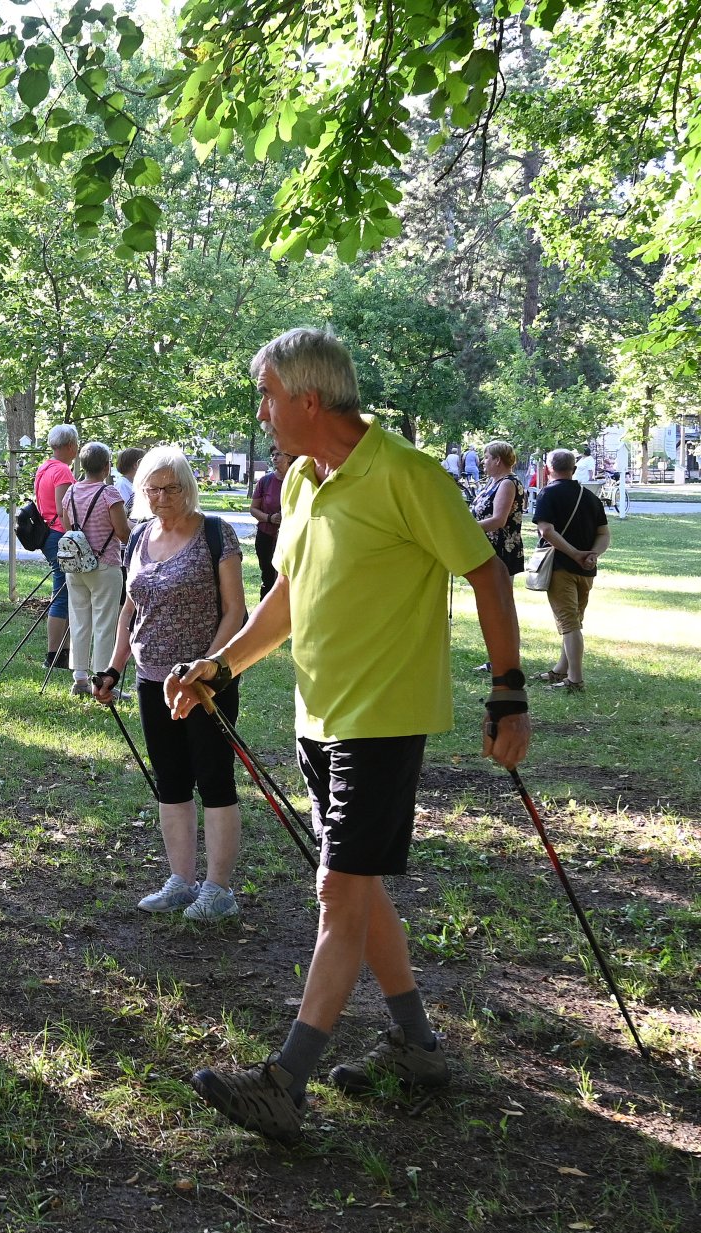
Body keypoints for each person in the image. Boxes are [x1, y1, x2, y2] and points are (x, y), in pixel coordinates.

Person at [167, 328, 529, 1143]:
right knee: (360, 887)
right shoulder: (300, 481)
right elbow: (290, 597)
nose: (260, 414)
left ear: (306, 398)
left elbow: (486, 572)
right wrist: (220, 667)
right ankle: (419, 1048)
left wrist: (507, 691)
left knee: (337, 890)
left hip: (384, 719)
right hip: (318, 717)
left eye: (265, 396)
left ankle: (284, 1082)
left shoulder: (406, 474)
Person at [93, 446, 247, 921]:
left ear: (187, 486)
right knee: (170, 782)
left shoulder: (216, 534)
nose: (160, 497)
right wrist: (113, 668)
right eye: (151, 489)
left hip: (205, 683)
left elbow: (235, 612)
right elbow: (129, 610)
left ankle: (218, 889)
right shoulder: (138, 538)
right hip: (151, 680)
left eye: (170, 487)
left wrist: (208, 666)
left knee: (214, 778)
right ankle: (181, 881)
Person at [532, 447, 610, 692]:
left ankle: (575, 680)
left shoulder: (548, 494)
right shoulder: (590, 497)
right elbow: (604, 534)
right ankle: (560, 670)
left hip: (561, 567)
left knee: (569, 624)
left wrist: (575, 554)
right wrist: (592, 555)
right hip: (586, 569)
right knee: (574, 621)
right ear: (574, 469)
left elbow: (546, 531)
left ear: (549, 468)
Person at [57, 442, 131, 695]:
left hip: (76, 566)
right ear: (107, 466)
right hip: (105, 566)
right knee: (105, 622)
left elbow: (69, 528)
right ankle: (101, 679)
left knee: (78, 619)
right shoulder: (110, 494)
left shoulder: (70, 493)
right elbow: (122, 533)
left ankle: (79, 678)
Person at [32, 425, 80, 669]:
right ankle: (55, 655)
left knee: (65, 593)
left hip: (48, 533)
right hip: (59, 535)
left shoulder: (45, 467)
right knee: (63, 595)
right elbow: (64, 510)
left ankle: (65, 652)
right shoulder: (61, 471)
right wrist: (75, 538)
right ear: (71, 445)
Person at [471, 440, 525, 579]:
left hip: (499, 551)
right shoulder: (493, 481)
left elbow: (498, 521)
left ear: (497, 460)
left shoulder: (507, 483)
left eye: (487, 457)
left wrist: (465, 528)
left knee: (498, 598)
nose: (483, 461)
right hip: (485, 549)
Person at [247, 450, 293, 601]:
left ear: (289, 457)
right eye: (273, 455)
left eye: (278, 454)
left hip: (290, 537)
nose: (274, 458)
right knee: (268, 576)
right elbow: (253, 509)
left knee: (288, 577)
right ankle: (265, 616)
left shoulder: (298, 480)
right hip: (266, 536)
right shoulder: (265, 481)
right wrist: (269, 518)